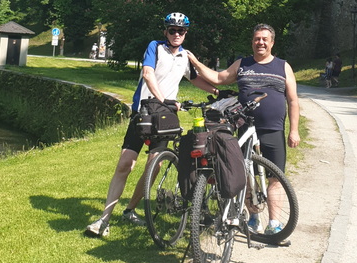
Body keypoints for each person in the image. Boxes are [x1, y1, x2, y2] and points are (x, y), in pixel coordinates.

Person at [85, 12, 216, 238]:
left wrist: (217, 91)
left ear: (186, 33)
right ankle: (104, 220)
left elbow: (194, 79)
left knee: (154, 165)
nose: (176, 34)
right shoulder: (155, 47)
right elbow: (148, 73)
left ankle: (130, 210)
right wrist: (162, 99)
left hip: (165, 118)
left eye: (181, 31)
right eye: (172, 30)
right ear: (165, 31)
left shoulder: (184, 56)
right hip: (144, 113)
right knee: (126, 164)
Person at [186, 23, 300, 234]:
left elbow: (293, 101)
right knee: (246, 173)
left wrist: (294, 130)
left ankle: (274, 223)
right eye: (257, 39)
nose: (261, 42)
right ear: (252, 42)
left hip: (273, 129)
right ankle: (253, 216)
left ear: (272, 43)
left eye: (265, 39)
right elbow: (219, 79)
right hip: (244, 127)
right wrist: (195, 62)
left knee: (275, 176)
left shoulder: (283, 66)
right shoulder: (243, 64)